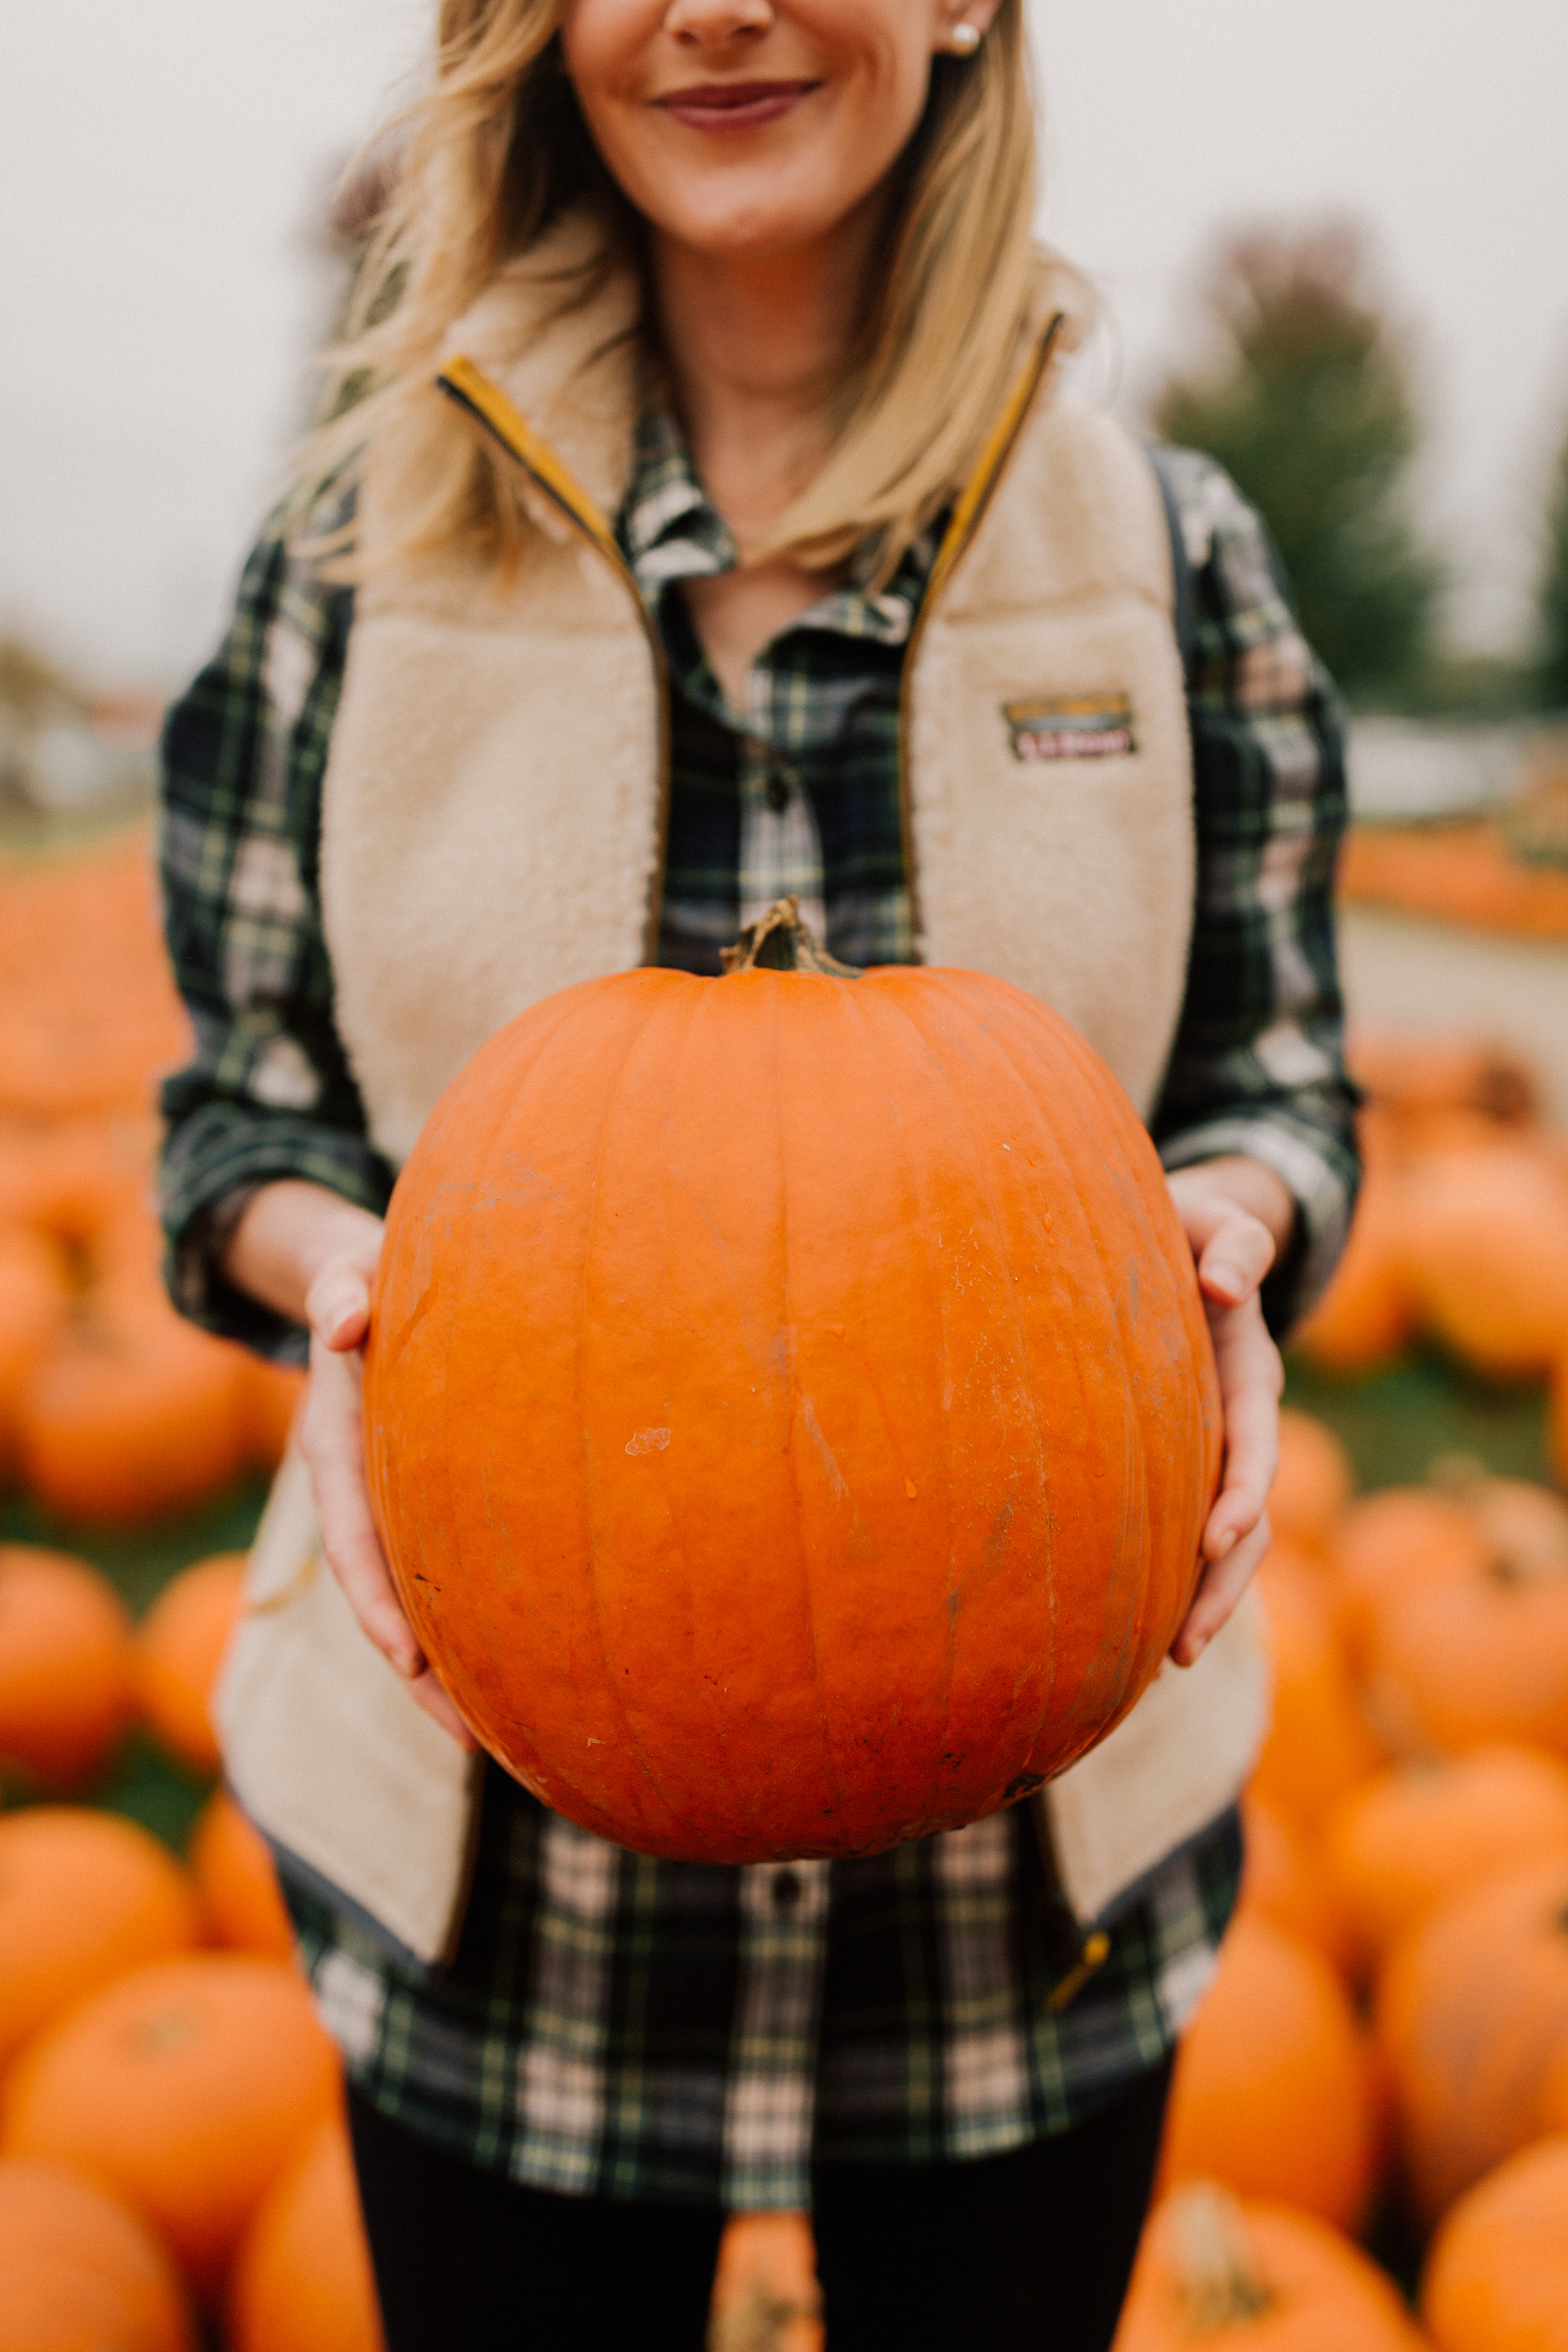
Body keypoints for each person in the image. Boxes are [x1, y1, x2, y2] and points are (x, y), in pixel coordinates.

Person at [158, 5, 1356, 2346]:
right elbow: (237, 1109)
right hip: (496, 1856)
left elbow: (1279, 1068)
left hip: (1037, 1870)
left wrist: (1233, 1232)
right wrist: (344, 1283)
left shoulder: (1164, 554)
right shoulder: (353, 554)